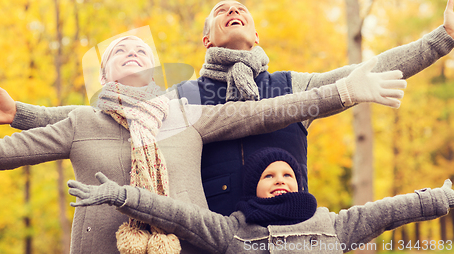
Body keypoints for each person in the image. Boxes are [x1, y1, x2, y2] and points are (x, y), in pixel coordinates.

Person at [0, 0, 453, 216]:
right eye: (221, 12)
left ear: (257, 34)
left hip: (284, 227)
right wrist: (22, 113)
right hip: (208, 234)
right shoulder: (180, 99)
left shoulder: (294, 86)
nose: (232, 11)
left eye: (242, 11)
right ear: (205, 38)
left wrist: (444, 38)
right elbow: (104, 120)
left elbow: (367, 72)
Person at [0, 36, 406, 254]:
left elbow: (270, 111)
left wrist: (348, 91)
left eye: (141, 51)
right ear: (104, 74)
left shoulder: (185, 115)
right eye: (119, 52)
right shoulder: (81, 121)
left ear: (157, 71)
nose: (131, 52)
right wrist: (17, 116)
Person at [67, 147, 454, 254]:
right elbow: (176, 215)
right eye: (269, 176)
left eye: (287, 175)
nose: (280, 180)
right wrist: (122, 195)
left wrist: (444, 198)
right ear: (255, 188)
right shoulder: (231, 230)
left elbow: (391, 210)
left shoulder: (334, 225)